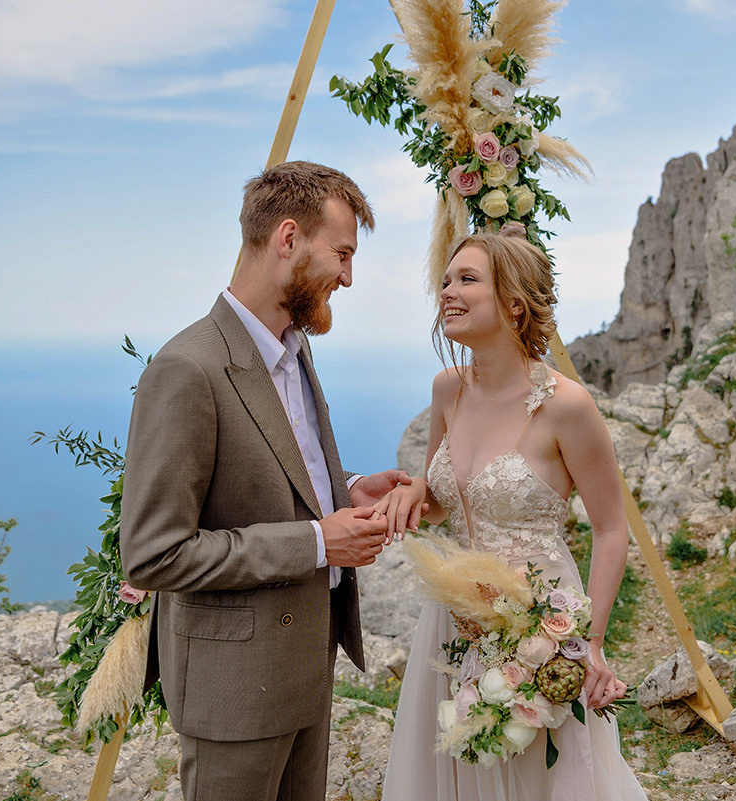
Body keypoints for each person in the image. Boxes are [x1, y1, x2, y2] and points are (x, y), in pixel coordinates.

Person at [119, 161, 417, 801]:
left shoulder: (294, 350)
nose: (347, 276)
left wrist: (346, 489)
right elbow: (153, 553)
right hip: (233, 695)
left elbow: (276, 469)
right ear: (288, 239)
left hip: (307, 670)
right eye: (341, 254)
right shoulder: (187, 368)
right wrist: (318, 542)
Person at [377, 226, 648, 800]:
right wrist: (412, 493)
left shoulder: (566, 406)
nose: (447, 292)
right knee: (457, 768)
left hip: (537, 620)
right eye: (446, 281)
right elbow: (441, 503)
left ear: (514, 304)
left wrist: (590, 644)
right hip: (452, 617)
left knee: (538, 772)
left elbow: (611, 528)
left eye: (467, 279)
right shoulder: (447, 389)